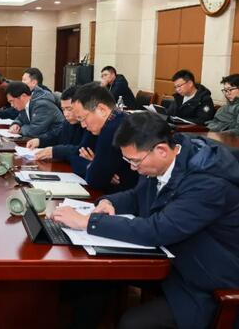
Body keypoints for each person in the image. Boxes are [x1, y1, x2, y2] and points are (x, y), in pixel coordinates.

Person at [53, 112, 239, 329]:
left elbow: (158, 229)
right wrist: (108, 202)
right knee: (92, 277)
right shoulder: (166, 159)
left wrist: (88, 222)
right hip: (174, 259)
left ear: (161, 150)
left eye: (134, 161)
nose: (132, 168)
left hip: (207, 278)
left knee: (133, 323)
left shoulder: (208, 183)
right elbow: (136, 196)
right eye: (128, 160)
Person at [69, 82, 138, 192]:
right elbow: (75, 157)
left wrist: (95, 167)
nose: (83, 125)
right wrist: (92, 165)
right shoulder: (100, 125)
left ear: (102, 110)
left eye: (83, 118)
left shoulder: (113, 129)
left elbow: (95, 180)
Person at [26, 86, 94, 161]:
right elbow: (57, 135)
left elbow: (82, 150)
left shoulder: (91, 125)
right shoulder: (68, 122)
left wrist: (55, 151)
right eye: (63, 109)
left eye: (69, 109)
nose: (66, 114)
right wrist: (40, 141)